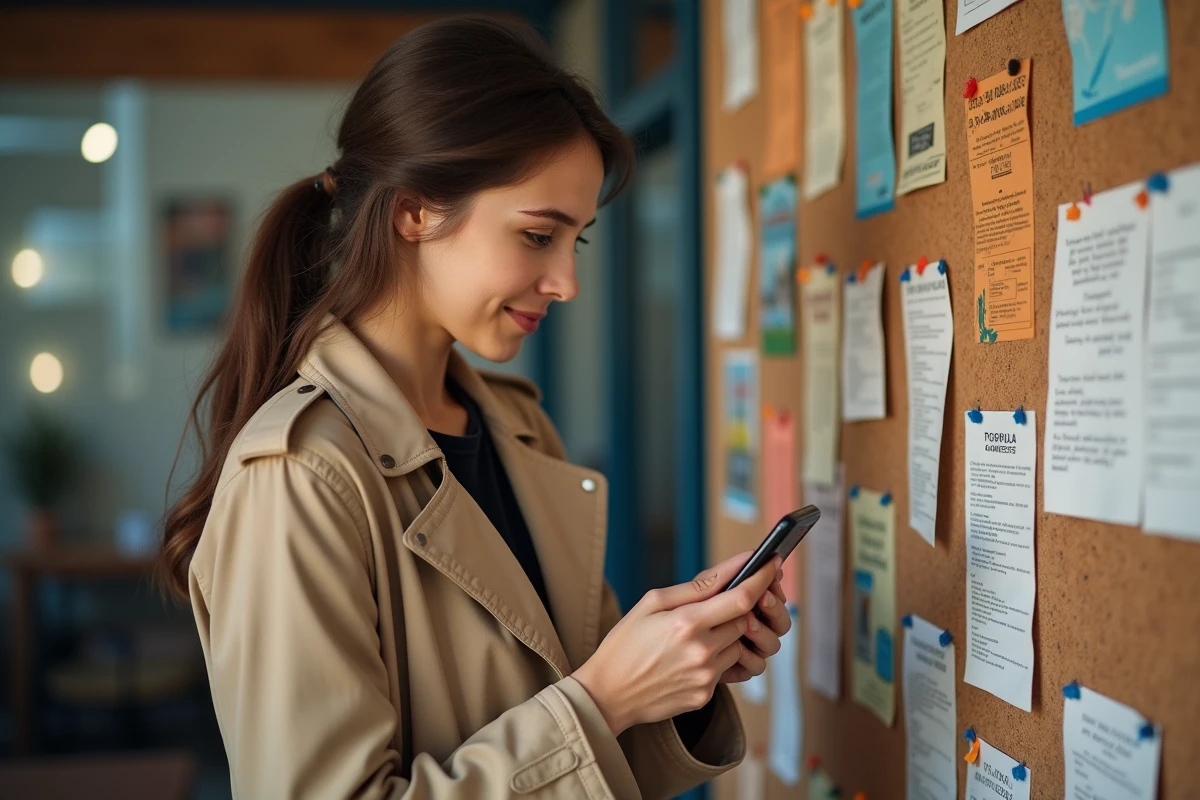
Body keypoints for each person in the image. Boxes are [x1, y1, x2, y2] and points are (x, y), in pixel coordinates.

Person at [159, 16, 792, 799]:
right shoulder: (300, 474)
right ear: (413, 214)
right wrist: (607, 698)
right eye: (537, 236)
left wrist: (682, 680)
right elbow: (582, 713)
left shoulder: (519, 425)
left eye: (577, 242)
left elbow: (590, 742)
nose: (567, 282)